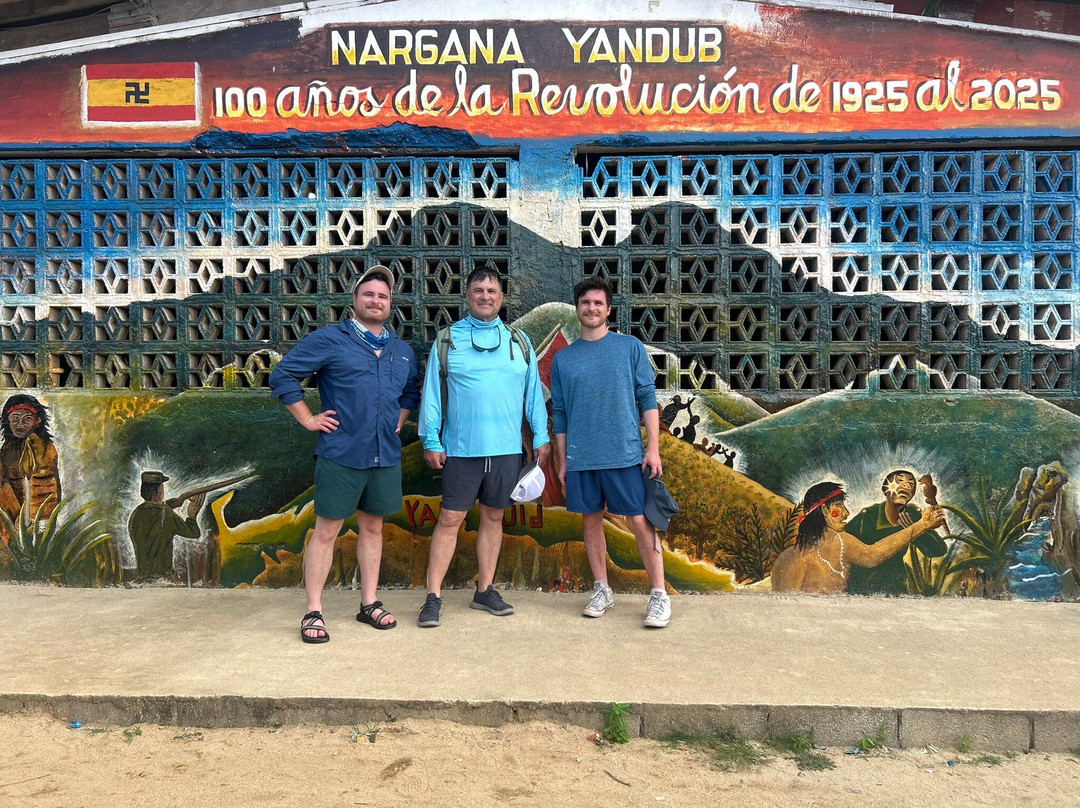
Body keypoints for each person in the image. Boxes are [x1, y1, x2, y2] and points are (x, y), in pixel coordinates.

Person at [269, 265, 420, 643]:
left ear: (390, 305)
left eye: (383, 296)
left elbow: (410, 393)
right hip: (341, 453)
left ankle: (368, 603)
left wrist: (397, 421)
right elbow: (283, 375)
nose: (376, 301)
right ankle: (313, 611)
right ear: (354, 300)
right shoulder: (330, 340)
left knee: (373, 527)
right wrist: (308, 419)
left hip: (384, 455)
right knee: (327, 531)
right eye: (368, 294)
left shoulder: (401, 351)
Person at [416, 267, 550, 627]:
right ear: (468, 296)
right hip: (460, 450)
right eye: (478, 290)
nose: (485, 296)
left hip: (506, 451)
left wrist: (540, 437)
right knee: (449, 520)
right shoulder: (447, 340)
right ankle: (433, 597)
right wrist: (431, 439)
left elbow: (533, 396)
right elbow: (431, 397)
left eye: (492, 290)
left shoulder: (519, 342)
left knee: (494, 517)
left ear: (501, 298)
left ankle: (484, 590)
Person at [549, 277, 672, 628]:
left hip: (624, 453)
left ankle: (659, 594)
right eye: (585, 302)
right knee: (590, 522)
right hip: (582, 458)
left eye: (598, 303)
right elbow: (560, 412)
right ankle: (602, 589)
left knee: (639, 521)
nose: (591, 308)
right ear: (578, 309)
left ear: (608, 309)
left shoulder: (629, 347)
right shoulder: (563, 360)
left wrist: (653, 448)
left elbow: (647, 398)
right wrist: (562, 459)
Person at [771, 481, 946, 595]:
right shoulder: (794, 558)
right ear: (824, 510)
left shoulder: (843, 542)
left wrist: (922, 524)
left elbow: (873, 555)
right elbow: (785, 611)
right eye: (839, 506)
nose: (846, 512)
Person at [845, 470, 948, 596]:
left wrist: (918, 529)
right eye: (899, 481)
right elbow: (843, 544)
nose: (906, 486)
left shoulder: (913, 514)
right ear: (885, 489)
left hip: (896, 589)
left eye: (911, 485)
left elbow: (939, 550)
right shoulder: (868, 516)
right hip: (863, 588)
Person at [128, 471, 205, 580]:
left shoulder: (136, 513)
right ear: (156, 492)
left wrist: (171, 504)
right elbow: (193, 533)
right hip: (162, 579)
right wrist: (192, 516)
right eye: (162, 488)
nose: (163, 491)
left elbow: (154, 515)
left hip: (142, 577)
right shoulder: (166, 514)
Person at [0, 394, 61, 524]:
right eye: (15, 418)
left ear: (37, 421)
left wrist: (36, 521)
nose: (20, 424)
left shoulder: (45, 450)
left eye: (27, 419)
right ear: (8, 420)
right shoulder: (7, 450)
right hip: (11, 520)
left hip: (38, 520)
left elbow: (47, 489)